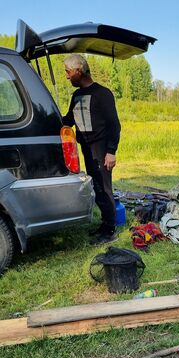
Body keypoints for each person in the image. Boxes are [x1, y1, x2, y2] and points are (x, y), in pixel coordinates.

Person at [63, 54, 121, 245]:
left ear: (79, 71)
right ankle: (105, 224)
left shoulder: (102, 94)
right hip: (86, 149)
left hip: (102, 149)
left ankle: (110, 230)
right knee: (95, 187)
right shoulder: (76, 95)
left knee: (104, 188)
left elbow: (114, 125)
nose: (67, 76)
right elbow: (69, 120)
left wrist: (111, 151)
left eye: (68, 72)